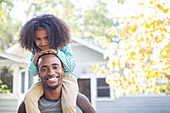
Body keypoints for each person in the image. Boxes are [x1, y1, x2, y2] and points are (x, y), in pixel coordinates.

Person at [19, 14, 78, 113]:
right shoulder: (36, 50)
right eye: (38, 39)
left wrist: (58, 53)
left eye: (46, 38)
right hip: (45, 81)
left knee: (68, 105)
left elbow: (71, 67)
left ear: (54, 35)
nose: (43, 42)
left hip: (67, 78)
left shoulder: (63, 45)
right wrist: (36, 58)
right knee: (29, 97)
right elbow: (33, 72)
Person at [17, 53, 96, 113]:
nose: (51, 73)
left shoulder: (79, 100)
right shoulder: (27, 105)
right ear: (38, 73)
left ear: (62, 69)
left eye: (55, 67)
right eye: (44, 69)